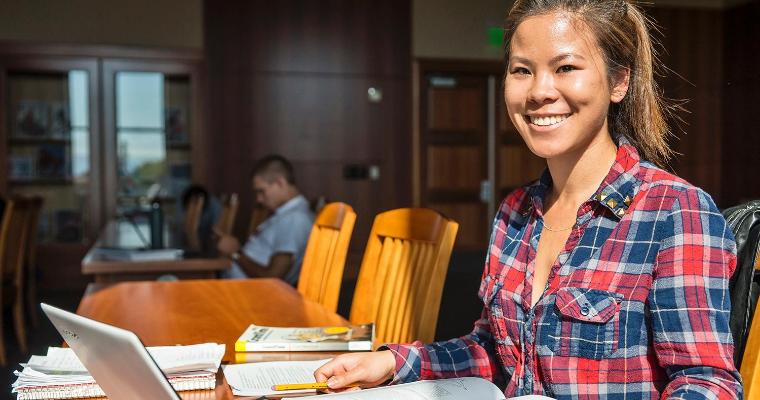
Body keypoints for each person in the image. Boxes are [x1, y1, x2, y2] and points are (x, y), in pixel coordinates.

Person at [314, 1, 743, 398]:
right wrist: (392, 361)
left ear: (619, 81)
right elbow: (492, 350)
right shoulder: (514, 211)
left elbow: (706, 382)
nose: (539, 91)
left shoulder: (675, 212)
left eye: (566, 67)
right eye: (522, 70)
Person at [217, 155, 314, 285]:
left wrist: (236, 253)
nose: (259, 199)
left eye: (261, 191)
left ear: (280, 183)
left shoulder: (295, 218)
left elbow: (273, 277)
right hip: (236, 289)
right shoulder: (286, 215)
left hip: (249, 297)